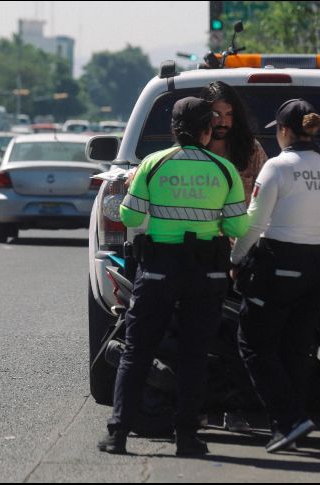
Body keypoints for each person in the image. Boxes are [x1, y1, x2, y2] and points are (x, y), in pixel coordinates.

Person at [98, 97, 250, 456]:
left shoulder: (153, 164)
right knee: (195, 356)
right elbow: (238, 225)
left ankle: (118, 435)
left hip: (159, 269)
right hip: (206, 272)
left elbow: (131, 219)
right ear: (208, 129)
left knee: (137, 351)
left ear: (174, 130)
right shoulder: (224, 169)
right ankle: (187, 438)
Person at [230, 99, 320, 453]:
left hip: (280, 264)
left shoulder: (277, 168)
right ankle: (293, 422)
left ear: (283, 131)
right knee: (296, 347)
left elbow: (254, 224)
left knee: (253, 342)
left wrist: (236, 259)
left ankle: (289, 421)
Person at [201, 80, 269, 434]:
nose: (223, 121)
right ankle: (201, 407)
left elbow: (266, 197)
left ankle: (236, 410)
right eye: (216, 114)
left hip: (241, 258)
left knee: (240, 338)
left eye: (229, 114)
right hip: (199, 255)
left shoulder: (251, 150)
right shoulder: (193, 150)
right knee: (201, 336)